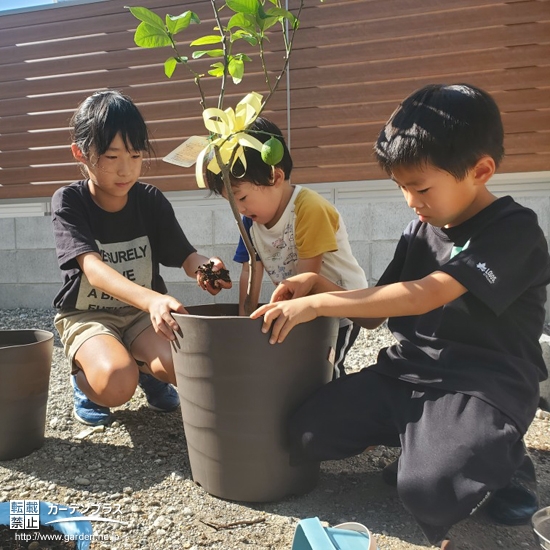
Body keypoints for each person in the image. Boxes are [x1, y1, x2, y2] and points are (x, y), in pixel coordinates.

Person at [251, 84, 550, 548]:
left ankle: (505, 462)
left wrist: (315, 304)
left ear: (481, 170)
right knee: (305, 433)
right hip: (412, 373)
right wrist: (317, 285)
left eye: (421, 187)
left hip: (486, 383)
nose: (411, 201)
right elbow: (376, 309)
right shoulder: (420, 228)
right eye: (402, 188)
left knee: (427, 492)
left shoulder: (514, 230)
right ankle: (430, 444)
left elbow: (422, 296)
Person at [51, 90, 231, 427]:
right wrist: (154, 300)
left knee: (187, 365)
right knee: (117, 383)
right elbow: (93, 270)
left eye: (135, 156)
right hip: (88, 315)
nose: (125, 170)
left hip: (140, 317)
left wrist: (207, 268)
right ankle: (85, 380)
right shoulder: (69, 202)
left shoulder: (149, 200)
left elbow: (185, 255)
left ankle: (149, 373)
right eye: (110, 156)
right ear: (81, 153)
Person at [205, 117, 368, 378]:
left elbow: (307, 280)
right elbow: (251, 273)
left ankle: (337, 410)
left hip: (340, 306)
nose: (241, 209)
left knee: (324, 368)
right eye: (233, 204)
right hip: (301, 305)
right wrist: (246, 326)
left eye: (243, 198)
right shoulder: (249, 221)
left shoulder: (308, 209)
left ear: (276, 176)